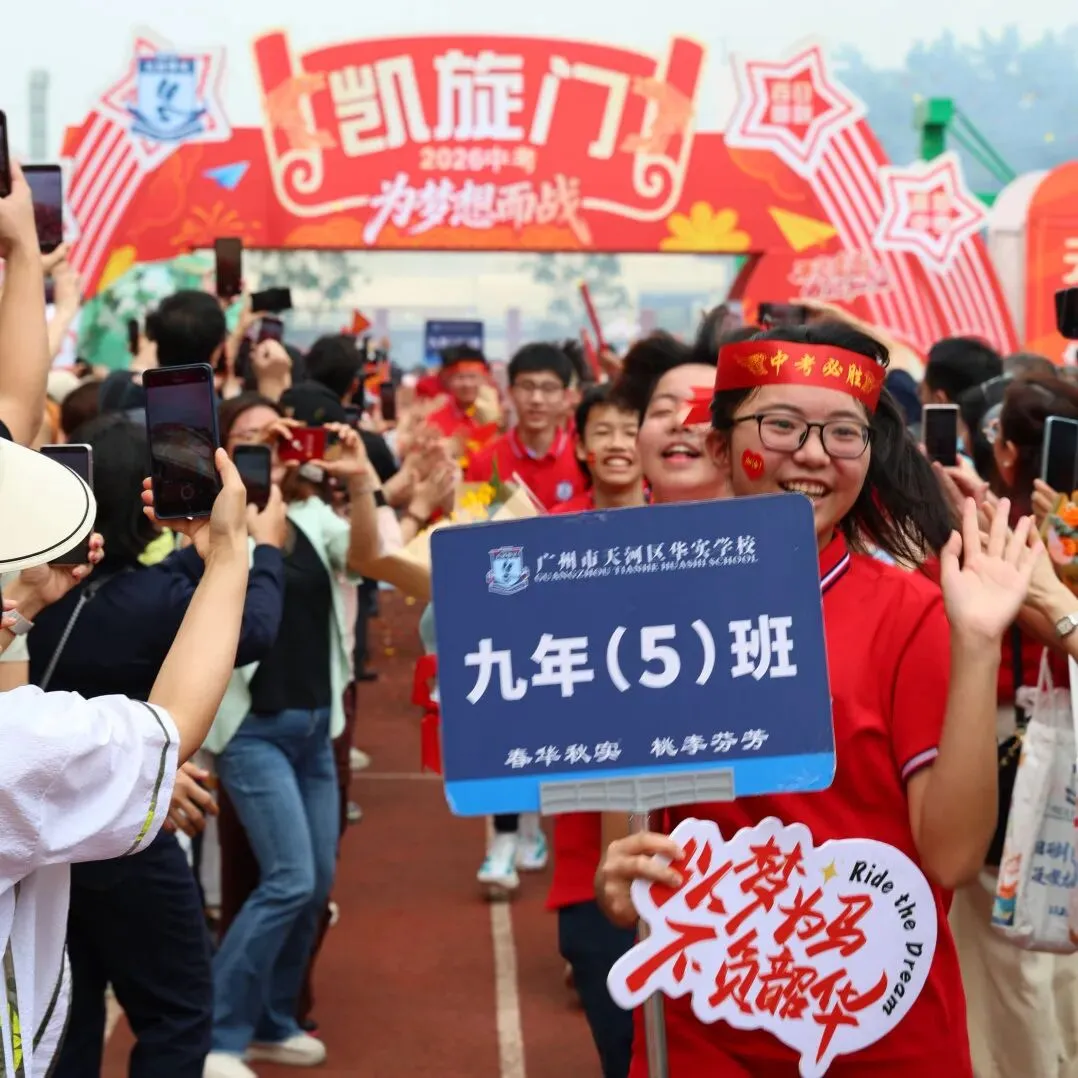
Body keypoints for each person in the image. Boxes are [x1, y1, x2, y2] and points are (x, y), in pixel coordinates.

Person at [596, 322, 1040, 1076]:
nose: (812, 453)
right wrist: (622, 877)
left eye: (843, 432)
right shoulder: (650, 609)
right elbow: (631, 848)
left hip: (880, 1027)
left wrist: (976, 644)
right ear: (718, 446)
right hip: (707, 1031)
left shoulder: (913, 613)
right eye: (780, 425)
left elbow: (953, 855)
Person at [27, 414, 286, 1078]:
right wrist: (255, 552)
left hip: (43, 842)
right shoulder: (158, 597)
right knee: (177, 1012)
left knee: (64, 1007)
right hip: (129, 834)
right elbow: (251, 630)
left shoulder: (31, 598)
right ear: (151, 496)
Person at [204, 397, 370, 1078]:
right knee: (289, 879)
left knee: (316, 884)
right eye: (246, 439)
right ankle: (215, 1032)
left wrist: (357, 480)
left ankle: (272, 1019)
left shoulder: (309, 515)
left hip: (314, 725)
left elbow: (366, 560)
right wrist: (247, 519)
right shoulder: (215, 528)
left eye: (274, 437)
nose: (262, 448)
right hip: (252, 733)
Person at [545, 383, 645, 1077]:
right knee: (623, 1050)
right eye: (601, 431)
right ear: (578, 445)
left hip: (697, 848)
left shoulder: (705, 535)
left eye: (629, 427)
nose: (617, 443)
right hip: (590, 847)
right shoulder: (547, 537)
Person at [465, 342, 584, 511]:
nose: (536, 399)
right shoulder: (483, 462)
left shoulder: (582, 461)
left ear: (566, 397)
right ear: (510, 392)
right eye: (527, 387)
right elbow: (468, 529)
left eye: (548, 388)